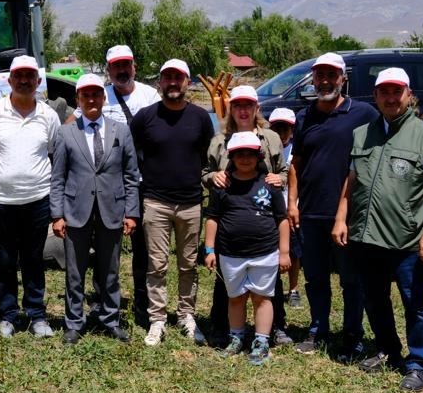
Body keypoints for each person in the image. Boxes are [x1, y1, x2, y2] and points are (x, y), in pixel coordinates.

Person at [334, 67, 423, 392]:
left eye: (396, 92)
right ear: (375, 96)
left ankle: (417, 364)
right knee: (375, 299)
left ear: (408, 95)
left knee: (416, 302)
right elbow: (352, 180)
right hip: (367, 237)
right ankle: (387, 350)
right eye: (384, 92)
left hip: (408, 240)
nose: (390, 98)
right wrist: (341, 218)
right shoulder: (362, 135)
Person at [287, 52, 380, 360]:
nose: (325, 80)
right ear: (313, 78)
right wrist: (292, 203)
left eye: (332, 75)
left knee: (352, 280)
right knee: (315, 277)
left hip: (348, 214)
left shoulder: (363, 113)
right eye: (320, 75)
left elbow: (397, 125)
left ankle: (352, 335)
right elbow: (296, 164)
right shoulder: (304, 117)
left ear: (343, 78)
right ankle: (318, 329)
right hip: (311, 211)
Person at [130, 58, 214, 346]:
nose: (173, 83)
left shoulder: (201, 118)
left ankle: (187, 314)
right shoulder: (145, 117)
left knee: (188, 264)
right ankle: (157, 319)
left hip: (191, 203)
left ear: (187, 82)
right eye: (167, 78)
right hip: (155, 202)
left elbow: (207, 157)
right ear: (160, 83)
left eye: (178, 78)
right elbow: (132, 154)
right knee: (156, 264)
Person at [50, 73, 139, 344]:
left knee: (110, 270)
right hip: (76, 210)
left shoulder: (120, 130)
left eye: (96, 94)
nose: (91, 99)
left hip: (112, 210)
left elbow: (131, 174)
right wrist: (57, 214)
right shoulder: (66, 133)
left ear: (103, 98)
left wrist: (131, 212)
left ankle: (110, 319)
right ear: (78, 99)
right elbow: (58, 177)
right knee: (75, 272)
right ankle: (74, 323)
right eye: (85, 95)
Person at [201, 85, 290, 348]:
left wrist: (279, 178)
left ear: (256, 108)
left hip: (264, 217)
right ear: (231, 109)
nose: (243, 110)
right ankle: (223, 327)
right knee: (227, 284)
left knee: (270, 284)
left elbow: (285, 172)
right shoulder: (219, 140)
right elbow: (205, 171)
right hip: (229, 217)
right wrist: (212, 176)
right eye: (237, 105)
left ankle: (275, 328)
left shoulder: (271, 138)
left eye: (248, 105)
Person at [0, 55, 62, 338]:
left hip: (37, 199)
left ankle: (37, 315)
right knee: (3, 260)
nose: (25, 81)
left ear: (38, 81)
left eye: (30, 76)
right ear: (10, 80)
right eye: (19, 76)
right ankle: (7, 316)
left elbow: (53, 152)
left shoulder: (49, 116)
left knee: (33, 259)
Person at [101, 44, 161, 325]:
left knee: (144, 249)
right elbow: (75, 124)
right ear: (109, 70)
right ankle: (104, 301)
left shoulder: (150, 95)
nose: (122, 70)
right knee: (106, 245)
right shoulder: (101, 97)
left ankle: (143, 306)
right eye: (116, 66)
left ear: (134, 66)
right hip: (113, 183)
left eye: (126, 65)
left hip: (145, 182)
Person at [268, 107, 304, 308]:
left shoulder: (297, 151)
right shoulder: (265, 148)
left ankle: (294, 288)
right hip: (270, 209)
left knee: (293, 251)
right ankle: (274, 287)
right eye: (276, 128)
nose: (281, 133)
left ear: (292, 129)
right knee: (271, 250)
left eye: (286, 128)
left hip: (291, 208)